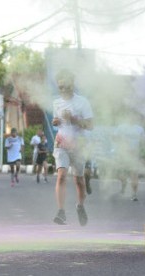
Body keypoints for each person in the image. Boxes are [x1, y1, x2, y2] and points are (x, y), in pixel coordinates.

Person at [51, 69, 93, 227]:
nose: (64, 90)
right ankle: (61, 212)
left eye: (66, 86)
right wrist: (55, 122)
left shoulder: (82, 102)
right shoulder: (56, 102)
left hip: (78, 144)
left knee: (79, 181)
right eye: (60, 87)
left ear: (73, 84)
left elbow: (90, 125)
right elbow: (58, 122)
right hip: (61, 142)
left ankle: (80, 206)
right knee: (61, 175)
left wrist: (73, 119)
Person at [113, 122, 145, 201]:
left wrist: (142, 152)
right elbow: (114, 138)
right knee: (120, 174)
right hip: (122, 154)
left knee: (134, 174)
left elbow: (144, 141)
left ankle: (134, 194)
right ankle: (124, 183)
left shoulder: (140, 128)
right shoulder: (121, 127)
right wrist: (121, 140)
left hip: (134, 154)